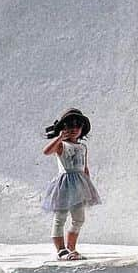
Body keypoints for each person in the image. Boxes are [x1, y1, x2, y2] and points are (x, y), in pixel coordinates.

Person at [42, 108, 101, 260]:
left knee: (79, 218)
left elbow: (84, 166)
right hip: (64, 184)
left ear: (82, 129)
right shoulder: (61, 145)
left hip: (80, 185)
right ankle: (61, 250)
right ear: (63, 128)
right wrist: (59, 138)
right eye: (69, 126)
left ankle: (71, 247)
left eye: (78, 125)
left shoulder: (83, 147)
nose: (74, 129)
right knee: (60, 217)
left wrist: (87, 183)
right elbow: (46, 151)